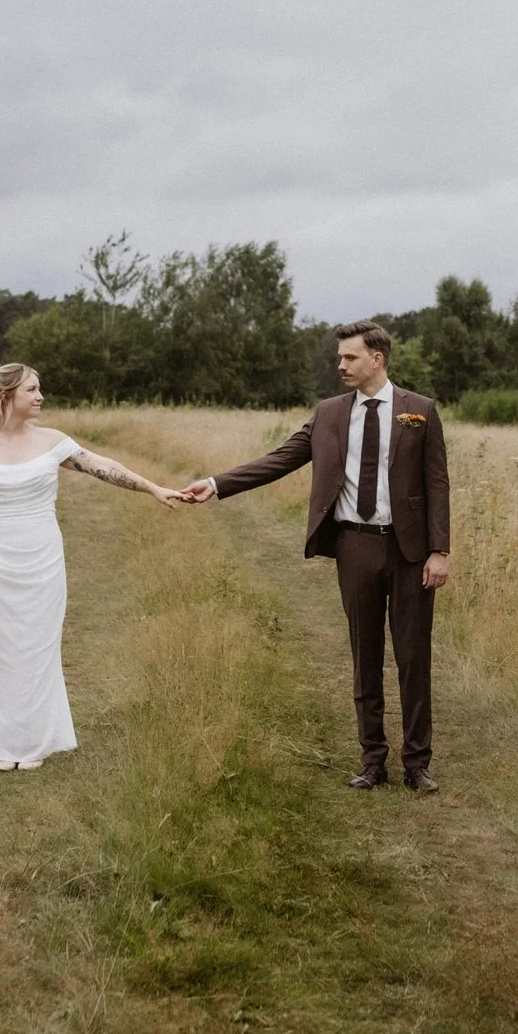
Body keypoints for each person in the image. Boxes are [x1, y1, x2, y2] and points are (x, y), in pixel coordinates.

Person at [179, 321, 451, 792]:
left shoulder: (419, 411)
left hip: (410, 553)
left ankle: (417, 764)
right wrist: (218, 484)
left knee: (413, 657)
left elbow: (437, 484)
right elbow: (281, 458)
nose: (340, 365)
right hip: (355, 546)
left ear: (377, 359)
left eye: (349, 357)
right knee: (364, 654)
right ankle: (372, 761)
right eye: (340, 357)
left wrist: (439, 550)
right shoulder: (328, 414)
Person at [0, 362, 186, 770]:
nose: (40, 396)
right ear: (5, 397)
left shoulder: (52, 441)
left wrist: (152, 487)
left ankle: (30, 744)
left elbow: (104, 466)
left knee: (36, 647)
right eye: (31, 390)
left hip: (41, 559)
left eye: (39, 389)